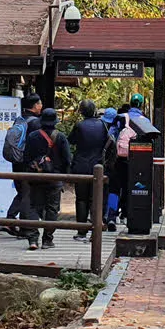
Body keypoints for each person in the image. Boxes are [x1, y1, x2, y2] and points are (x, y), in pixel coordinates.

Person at [21, 107, 72, 250]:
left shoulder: (32, 136)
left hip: (36, 177)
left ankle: (32, 239)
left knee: (33, 207)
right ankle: (47, 240)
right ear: (55, 121)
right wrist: (65, 175)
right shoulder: (60, 137)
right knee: (52, 208)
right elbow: (67, 159)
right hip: (54, 178)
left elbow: (26, 157)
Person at [68, 100, 114, 241]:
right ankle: (96, 231)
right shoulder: (103, 125)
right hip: (98, 166)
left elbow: (71, 140)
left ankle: (81, 231)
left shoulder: (79, 125)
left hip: (81, 165)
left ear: (81, 111)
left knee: (81, 199)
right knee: (96, 199)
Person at [5, 94, 43, 234]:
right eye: (40, 104)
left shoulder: (19, 120)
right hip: (28, 163)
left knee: (22, 191)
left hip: (16, 160)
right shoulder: (35, 123)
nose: (41, 106)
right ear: (35, 106)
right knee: (27, 193)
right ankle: (23, 226)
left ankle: (12, 221)